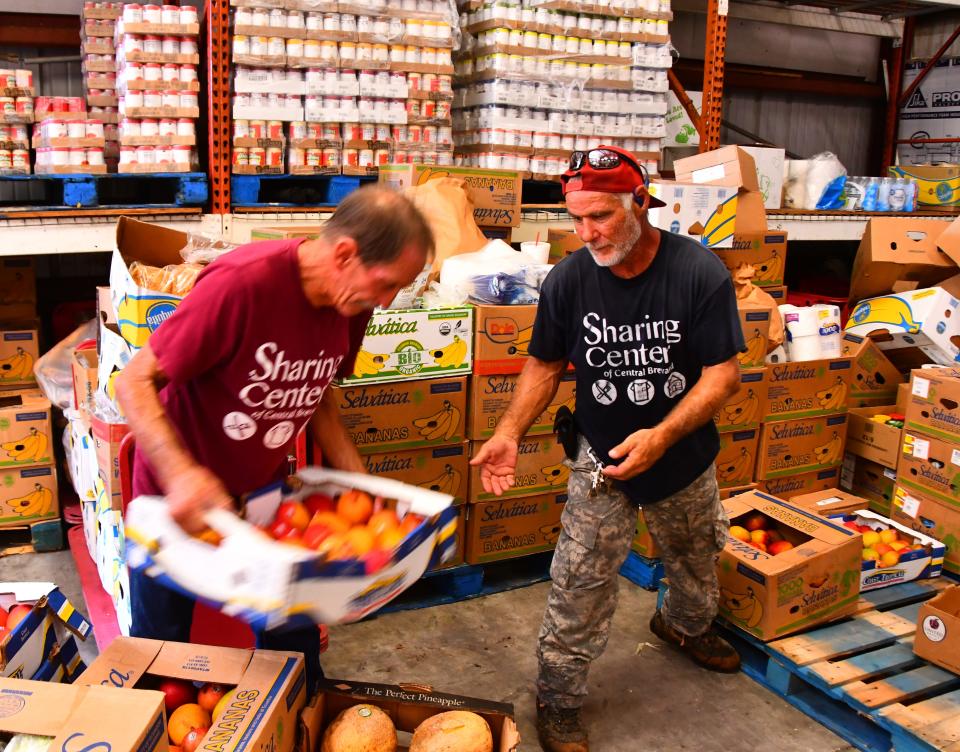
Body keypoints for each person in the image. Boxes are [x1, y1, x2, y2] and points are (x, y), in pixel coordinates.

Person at [471, 146, 744, 752]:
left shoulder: (698, 272)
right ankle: (559, 697)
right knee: (581, 577)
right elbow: (544, 365)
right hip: (601, 457)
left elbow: (722, 375)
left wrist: (662, 435)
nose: (586, 233)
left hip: (681, 451)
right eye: (576, 219)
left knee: (697, 552)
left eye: (600, 217)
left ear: (640, 203)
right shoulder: (570, 279)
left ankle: (684, 627)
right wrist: (508, 432)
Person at [116, 186, 434, 690]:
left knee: (296, 658)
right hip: (175, 504)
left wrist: (362, 485)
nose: (387, 300)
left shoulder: (350, 302)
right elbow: (131, 382)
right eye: (386, 283)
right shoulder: (243, 284)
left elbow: (319, 387)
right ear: (345, 254)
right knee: (162, 663)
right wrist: (182, 477)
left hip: (263, 505)